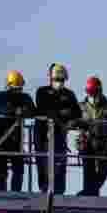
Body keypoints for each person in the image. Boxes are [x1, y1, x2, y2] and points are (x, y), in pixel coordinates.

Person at [34, 63, 81, 194]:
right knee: (43, 163)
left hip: (60, 134)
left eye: (61, 80)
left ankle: (59, 191)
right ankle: (44, 190)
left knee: (60, 164)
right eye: (57, 80)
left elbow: (77, 112)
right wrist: (63, 112)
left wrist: (66, 115)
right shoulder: (42, 92)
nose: (59, 83)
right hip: (43, 134)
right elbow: (44, 109)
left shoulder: (69, 94)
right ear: (50, 78)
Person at [0, 71, 35, 192]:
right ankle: (1, 191)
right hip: (2, 136)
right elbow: (2, 108)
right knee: (1, 167)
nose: (18, 91)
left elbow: (32, 111)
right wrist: (17, 111)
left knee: (18, 167)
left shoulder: (25, 97)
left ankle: (16, 192)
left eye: (19, 88)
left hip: (16, 138)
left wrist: (20, 111)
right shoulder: (2, 95)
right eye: (16, 88)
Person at [76, 76, 107, 196]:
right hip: (87, 141)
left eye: (95, 92)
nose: (93, 95)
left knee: (106, 168)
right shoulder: (81, 106)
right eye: (90, 92)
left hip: (103, 141)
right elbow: (72, 120)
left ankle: (89, 191)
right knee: (88, 170)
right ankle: (91, 193)